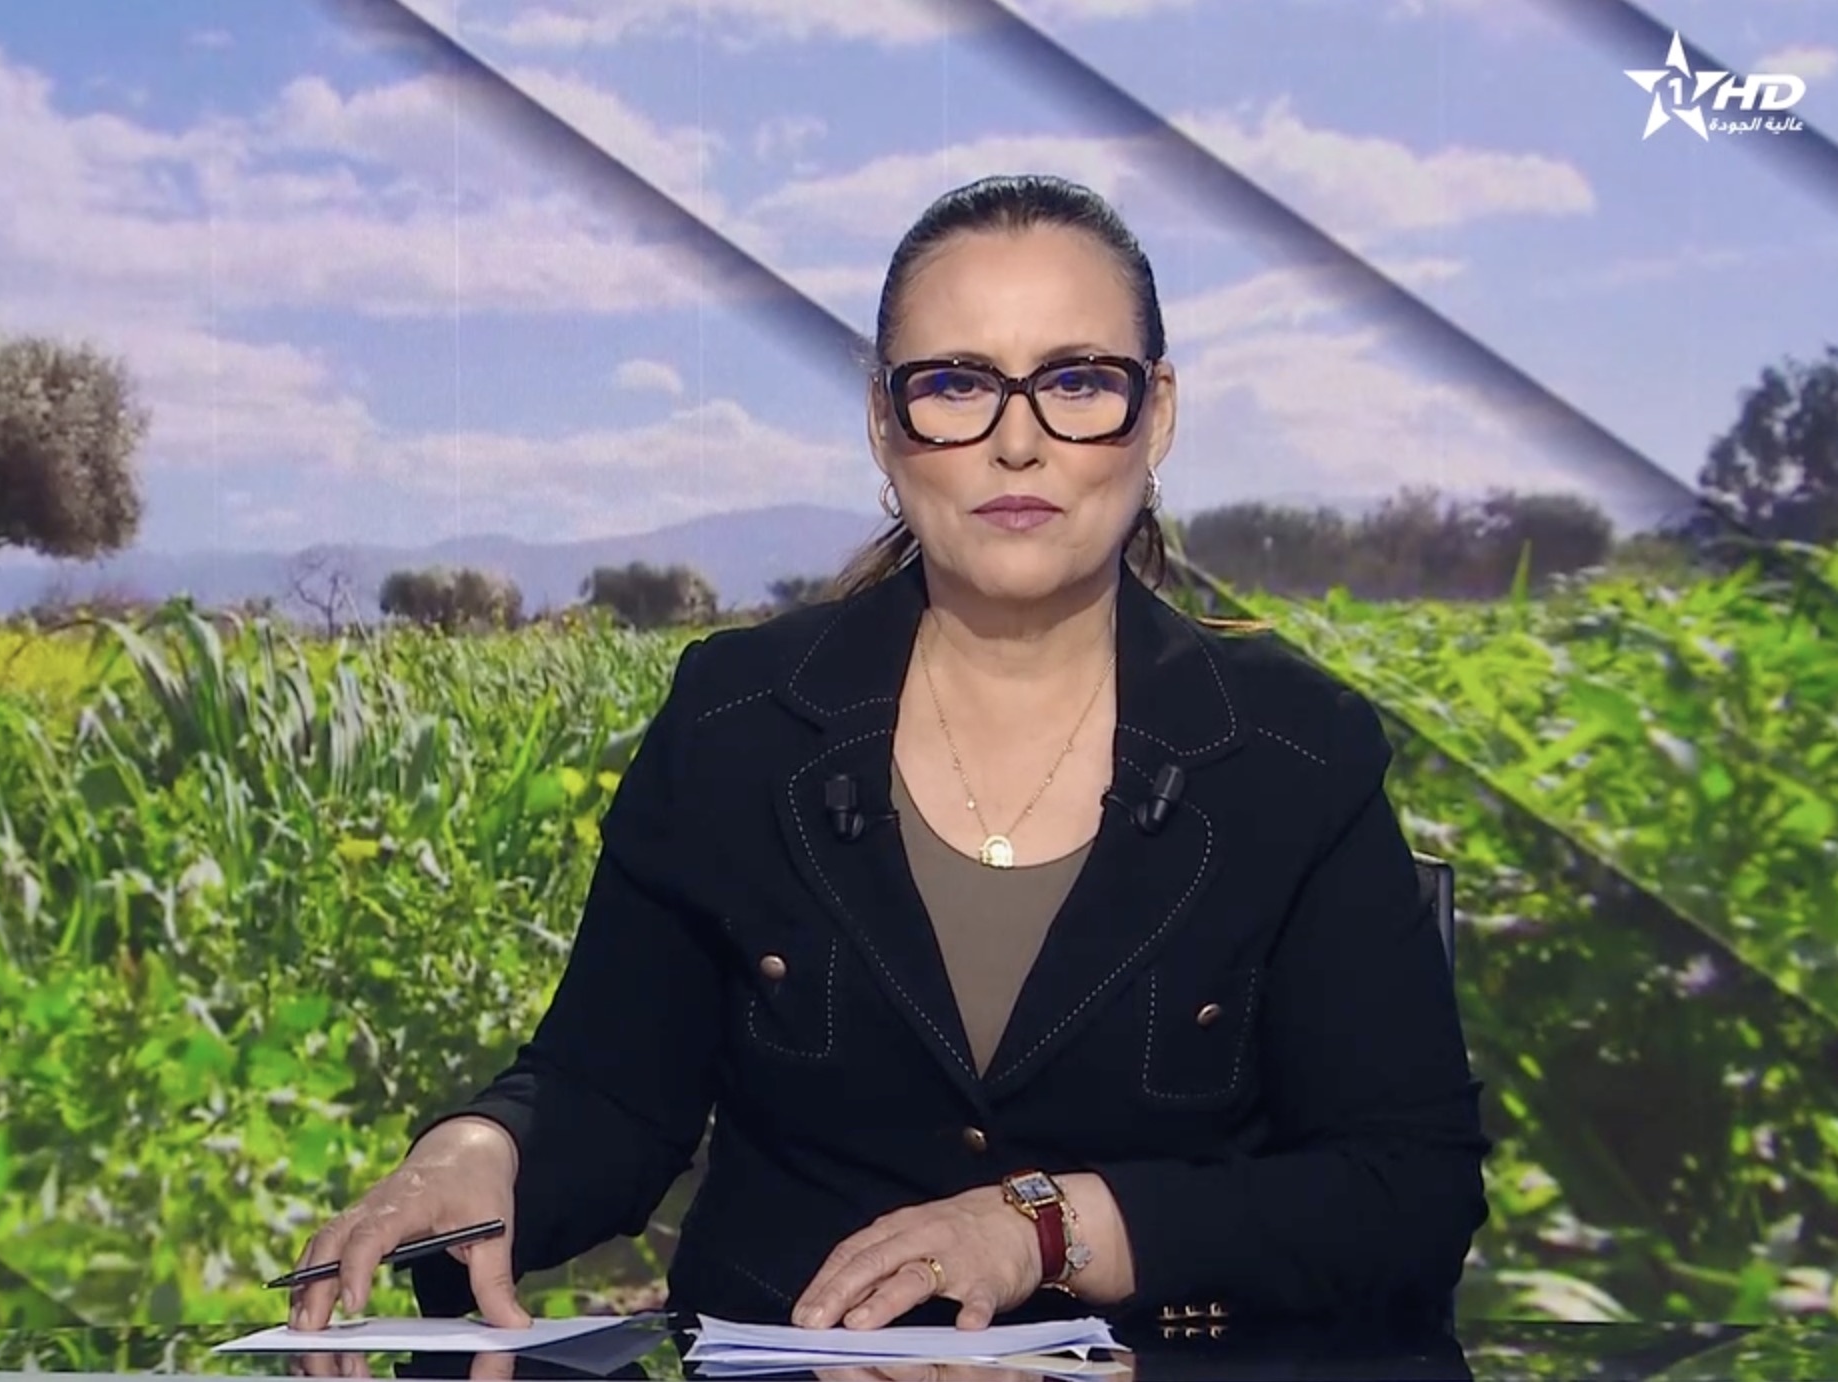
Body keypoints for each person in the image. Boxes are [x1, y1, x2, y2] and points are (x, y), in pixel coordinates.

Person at [285, 173, 1490, 1336]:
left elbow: (1406, 1185)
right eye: (954, 384)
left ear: (1155, 411)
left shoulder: (1295, 752)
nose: (1015, 443)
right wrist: (477, 1153)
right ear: (882, 420)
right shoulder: (734, 720)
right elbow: (608, 1090)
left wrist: (1052, 1225)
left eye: (1076, 381)